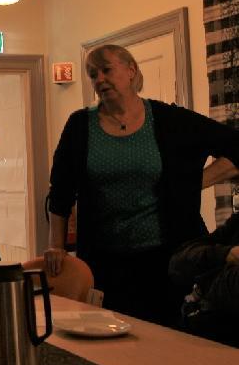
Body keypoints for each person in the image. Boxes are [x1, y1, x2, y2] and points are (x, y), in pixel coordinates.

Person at [45, 43, 239, 325]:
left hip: (167, 258)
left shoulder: (169, 120)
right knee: (107, 342)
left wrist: (193, 182)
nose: (99, 79)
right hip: (103, 261)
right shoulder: (80, 126)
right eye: (92, 74)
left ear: (131, 70)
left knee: (168, 341)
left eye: (106, 70)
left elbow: (234, 146)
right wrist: (56, 246)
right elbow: (60, 191)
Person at [170, 213, 239, 344]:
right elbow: (178, 263)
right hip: (200, 339)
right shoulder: (236, 224)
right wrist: (225, 254)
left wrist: (204, 285)